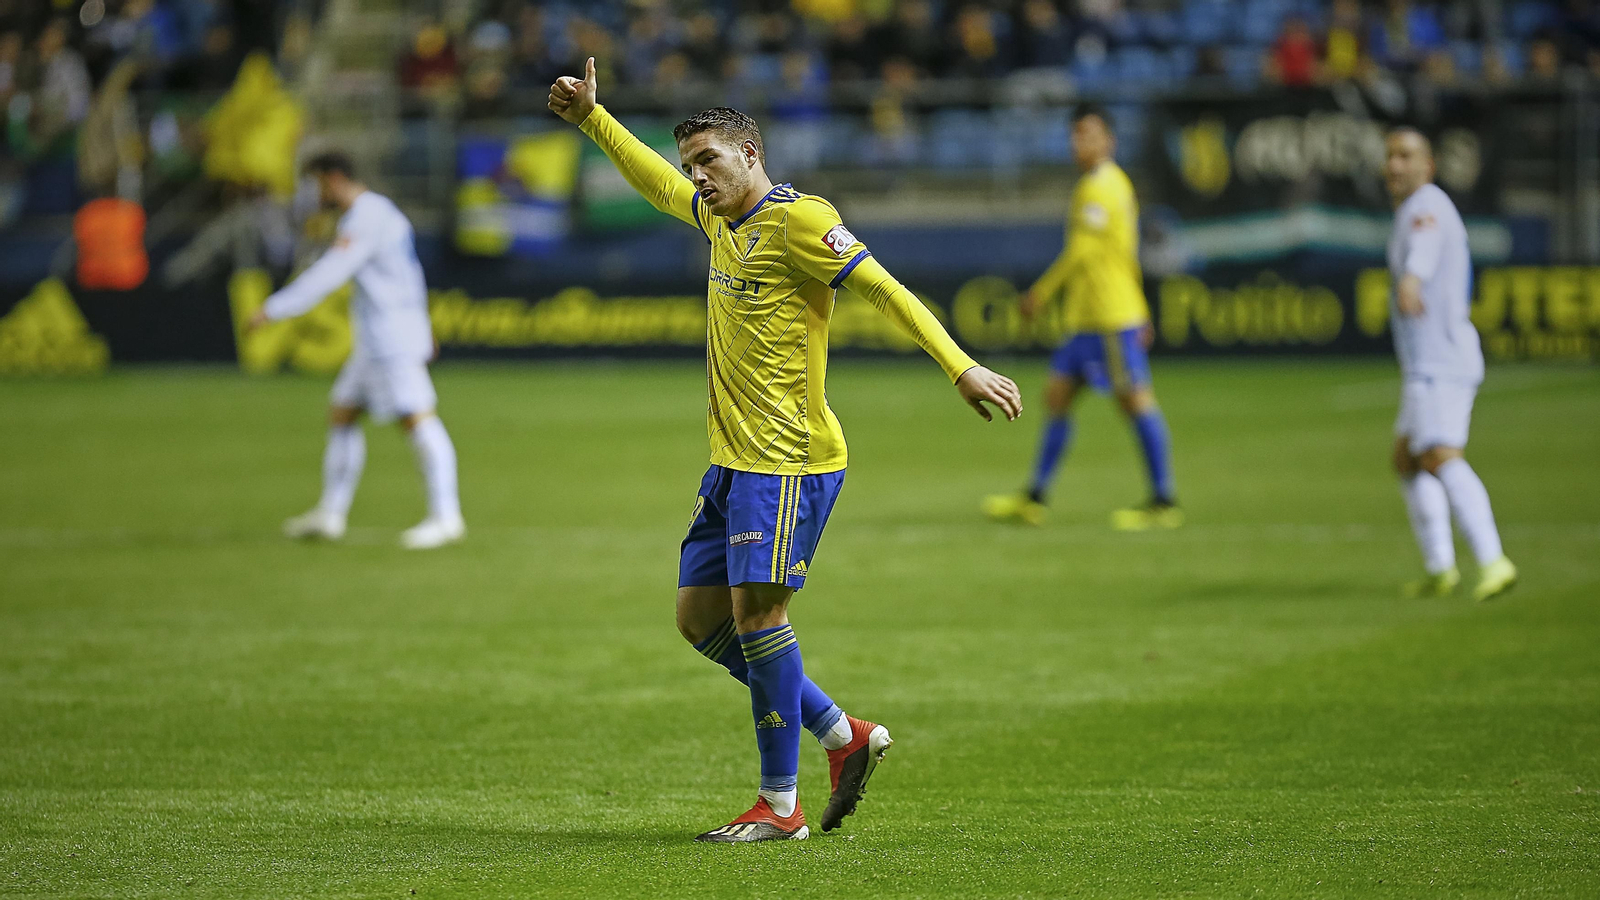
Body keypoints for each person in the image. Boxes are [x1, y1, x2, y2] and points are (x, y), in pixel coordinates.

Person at [548, 58, 1022, 843]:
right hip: (733, 461)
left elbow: (885, 288)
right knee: (699, 619)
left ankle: (779, 806)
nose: (696, 176)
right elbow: (655, 185)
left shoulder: (802, 221)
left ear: (751, 154)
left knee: (759, 617)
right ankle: (842, 734)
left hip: (788, 460)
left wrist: (960, 366)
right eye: (691, 163)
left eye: (709, 160)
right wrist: (593, 119)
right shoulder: (716, 218)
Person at [247, 152, 465, 551]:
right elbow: (408, 274)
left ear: (333, 180)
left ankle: (446, 516)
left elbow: (331, 272)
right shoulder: (381, 212)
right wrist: (422, 325)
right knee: (343, 413)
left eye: (316, 185)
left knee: (417, 419)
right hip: (378, 339)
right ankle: (331, 514)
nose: (314, 195)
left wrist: (274, 308)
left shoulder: (366, 218)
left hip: (389, 340)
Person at [983, 104, 1178, 530]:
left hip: (1110, 318)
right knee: (1057, 397)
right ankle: (1035, 497)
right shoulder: (1107, 184)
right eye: (1075, 135)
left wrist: (1041, 293)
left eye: (1088, 134)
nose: (1078, 143)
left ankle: (1164, 500)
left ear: (1109, 141)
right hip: (1089, 319)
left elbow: (1084, 252)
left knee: (1135, 401)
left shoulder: (1101, 188)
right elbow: (1123, 253)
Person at [1383, 128, 1516, 602]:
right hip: (1427, 361)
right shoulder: (1414, 209)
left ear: (1428, 166)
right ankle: (1441, 568)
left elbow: (1425, 249)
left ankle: (1493, 560)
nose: (1394, 165)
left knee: (1439, 455)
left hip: (1441, 360)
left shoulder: (1427, 206)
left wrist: (1413, 279)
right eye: (1390, 156)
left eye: (1406, 156)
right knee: (1407, 458)